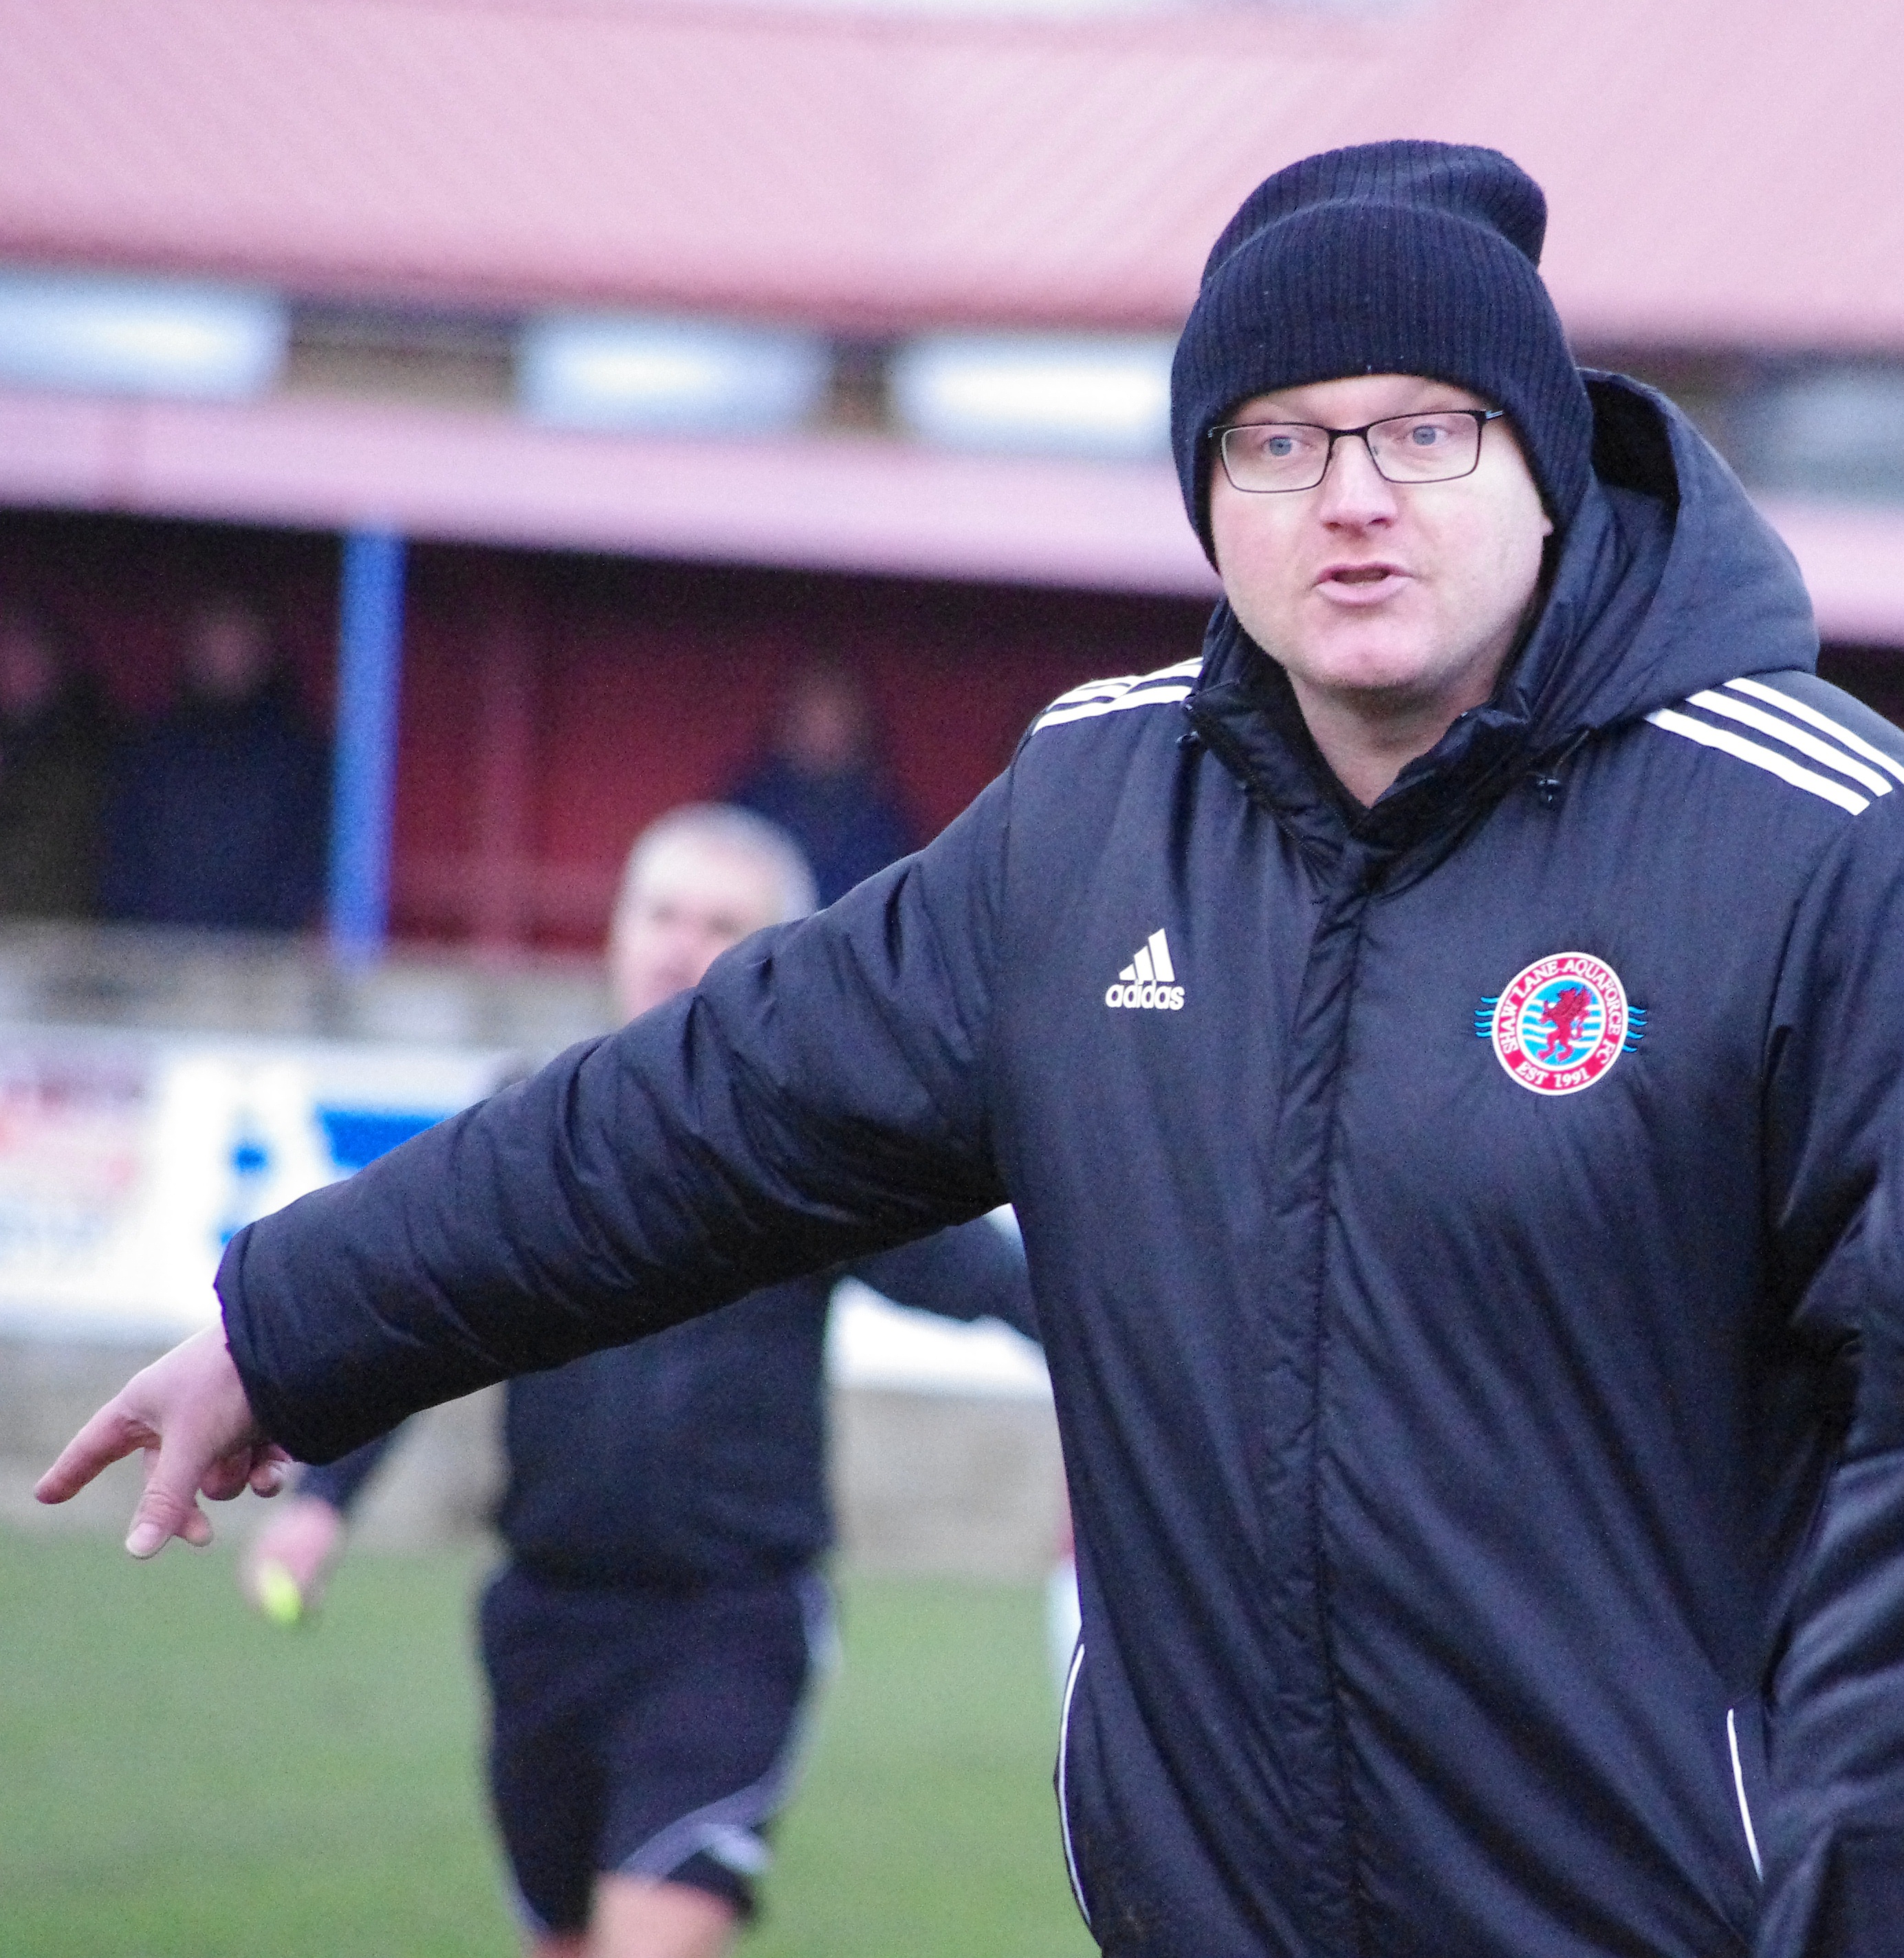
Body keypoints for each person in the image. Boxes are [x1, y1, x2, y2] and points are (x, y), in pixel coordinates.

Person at [39, 140, 1904, 1958]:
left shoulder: (1815, 847)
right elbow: (697, 1115)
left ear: (1547, 464)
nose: (1354, 494)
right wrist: (292, 1320)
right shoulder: (1087, 828)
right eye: (1279, 439)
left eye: (1428, 428)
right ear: (1206, 491)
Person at [239, 802, 1033, 1958]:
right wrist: (319, 1506)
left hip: (730, 1619)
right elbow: (416, 1319)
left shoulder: (814, 1147)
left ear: (782, 955)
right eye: (660, 911)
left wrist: (1144, 1357)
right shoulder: (524, 1135)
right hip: (542, 1614)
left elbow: (997, 1282)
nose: (679, 941)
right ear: (614, 929)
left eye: (721, 921)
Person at [100, 594, 329, 931]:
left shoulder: (299, 754)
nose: (225, 658)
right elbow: (124, 851)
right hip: (155, 957)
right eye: (214, 644)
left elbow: (308, 858)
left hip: (259, 962)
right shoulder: (154, 748)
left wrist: (270, 936)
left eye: (237, 644)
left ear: (264, 653)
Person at [727, 662, 916, 904]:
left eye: (837, 719)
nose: (824, 735)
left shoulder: (883, 824)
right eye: (811, 717)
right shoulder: (746, 810)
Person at [0, 605, 114, 917]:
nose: (10, 671)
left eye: (21, 655)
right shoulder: (12, 738)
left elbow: (48, 847)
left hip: (51, 934)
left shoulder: (82, 746)